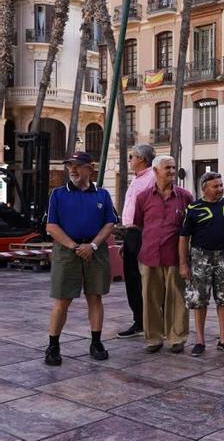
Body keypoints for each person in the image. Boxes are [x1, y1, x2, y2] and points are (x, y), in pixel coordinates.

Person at [44, 152, 117, 366]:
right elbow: (51, 226)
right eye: (70, 166)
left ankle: (96, 343)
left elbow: (110, 223)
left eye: (78, 165)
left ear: (90, 168)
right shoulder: (58, 194)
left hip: (95, 251)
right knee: (62, 300)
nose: (73, 170)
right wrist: (75, 246)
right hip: (67, 251)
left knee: (95, 297)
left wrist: (92, 245)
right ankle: (53, 346)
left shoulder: (102, 195)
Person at [133, 155, 193, 354]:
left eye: (174, 167)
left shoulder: (185, 197)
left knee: (177, 298)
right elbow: (140, 223)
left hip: (175, 256)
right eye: (168, 168)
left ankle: (177, 337)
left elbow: (190, 228)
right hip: (149, 255)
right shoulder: (142, 197)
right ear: (155, 171)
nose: (172, 171)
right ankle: (153, 338)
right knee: (149, 298)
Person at [179, 172, 224, 356]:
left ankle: (223, 339)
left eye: (221, 185)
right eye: (216, 186)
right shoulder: (193, 208)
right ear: (204, 189)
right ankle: (200, 340)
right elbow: (184, 238)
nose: (220, 189)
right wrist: (183, 264)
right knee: (199, 300)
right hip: (200, 257)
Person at [116, 144, 156, 338]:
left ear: (141, 158)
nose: (130, 160)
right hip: (132, 233)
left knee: (146, 280)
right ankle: (139, 321)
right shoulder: (137, 179)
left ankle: (152, 322)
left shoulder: (152, 178)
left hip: (144, 233)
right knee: (131, 279)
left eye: (132, 156)